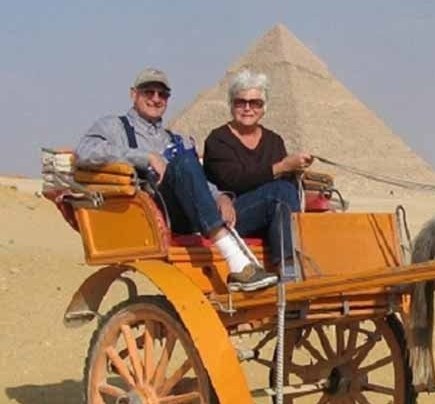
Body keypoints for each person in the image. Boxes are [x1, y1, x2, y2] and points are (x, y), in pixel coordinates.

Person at [75, 68, 278, 292]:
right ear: (134, 94)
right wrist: (146, 157)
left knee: (276, 192)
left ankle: (290, 271)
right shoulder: (113, 126)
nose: (155, 98)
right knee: (183, 161)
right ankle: (236, 260)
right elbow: (86, 151)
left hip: (191, 211)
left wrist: (221, 197)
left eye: (162, 94)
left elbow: (196, 178)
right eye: (148, 92)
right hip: (154, 212)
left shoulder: (177, 138)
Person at [203, 68, 312, 280]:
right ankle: (290, 272)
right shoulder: (218, 140)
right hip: (231, 215)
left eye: (255, 103)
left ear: (264, 108)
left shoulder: (274, 140)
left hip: (271, 214)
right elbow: (232, 180)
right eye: (240, 102)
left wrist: (294, 169)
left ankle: (296, 266)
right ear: (231, 105)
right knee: (279, 192)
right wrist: (280, 167)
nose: (247, 108)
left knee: (285, 194)